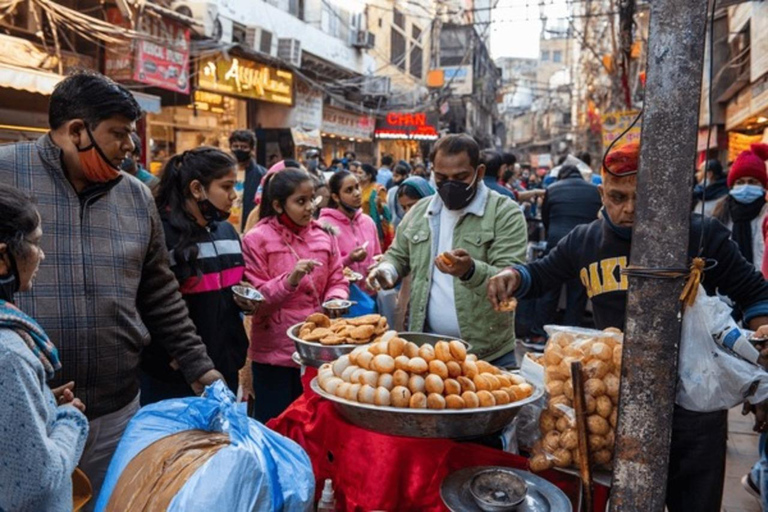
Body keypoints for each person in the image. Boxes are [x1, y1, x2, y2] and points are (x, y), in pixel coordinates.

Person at [487, 140, 768, 512]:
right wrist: (512, 276)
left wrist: (761, 373)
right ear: (601, 193)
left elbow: (755, 294)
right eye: (617, 197)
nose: (630, 209)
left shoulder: (701, 235)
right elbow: (540, 274)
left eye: (642, 197)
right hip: (615, 403)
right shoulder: (585, 241)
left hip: (697, 401)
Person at [0, 71, 222, 501]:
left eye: (132, 134)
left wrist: (201, 369)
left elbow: (159, 293)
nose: (131, 147)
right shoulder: (5, 175)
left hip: (118, 408)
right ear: (76, 131)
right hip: (25, 412)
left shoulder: (136, 197)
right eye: (119, 134)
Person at [367, 134, 528, 366]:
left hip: (485, 354)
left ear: (479, 173)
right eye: (442, 177)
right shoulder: (421, 211)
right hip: (426, 352)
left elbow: (510, 277)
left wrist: (470, 270)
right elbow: (398, 254)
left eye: (460, 177)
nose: (450, 184)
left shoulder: (504, 213)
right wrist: (387, 271)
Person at [141, 147, 258, 404]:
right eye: (226, 187)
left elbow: (227, 287)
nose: (233, 196)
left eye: (234, 187)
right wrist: (172, 360)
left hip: (224, 366)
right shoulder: (161, 235)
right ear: (197, 189)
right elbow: (149, 304)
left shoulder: (227, 232)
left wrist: (242, 298)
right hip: (174, 377)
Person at [0, 185, 89, 512]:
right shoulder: (9, 354)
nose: (42, 255)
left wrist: (39, 404)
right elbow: (33, 482)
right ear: (2, 258)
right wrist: (69, 419)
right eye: (35, 243)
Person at [242, 168, 348, 422]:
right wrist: (290, 280)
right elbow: (255, 302)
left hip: (316, 348)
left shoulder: (323, 234)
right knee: (275, 424)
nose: (309, 207)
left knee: (312, 424)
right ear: (278, 205)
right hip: (273, 353)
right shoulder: (256, 239)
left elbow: (337, 277)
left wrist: (336, 298)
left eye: (312, 199)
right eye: (300, 201)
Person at [524, 164, 603, 349]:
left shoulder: (552, 189)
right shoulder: (594, 191)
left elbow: (546, 219)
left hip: (557, 244)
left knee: (549, 291)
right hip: (584, 246)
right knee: (577, 294)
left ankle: (539, 336)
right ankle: (569, 340)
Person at [319, 170, 382, 295]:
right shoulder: (324, 226)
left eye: (357, 187)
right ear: (336, 197)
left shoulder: (368, 222)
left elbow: (377, 255)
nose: (357, 193)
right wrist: (349, 259)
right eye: (349, 190)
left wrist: (376, 266)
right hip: (341, 299)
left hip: (370, 297)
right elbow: (322, 270)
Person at [712, 144, 768, 269]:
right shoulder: (720, 214)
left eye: (752, 182)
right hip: (727, 284)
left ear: (763, 186)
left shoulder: (766, 216)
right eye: (740, 182)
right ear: (732, 186)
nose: (746, 187)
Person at [392, 176, 437, 331]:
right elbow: (398, 255)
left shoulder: (440, 223)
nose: (408, 212)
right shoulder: (404, 227)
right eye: (403, 208)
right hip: (410, 287)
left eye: (412, 205)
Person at [229, 129, 267, 233]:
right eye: (235, 146)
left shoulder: (262, 175)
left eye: (244, 147)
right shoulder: (221, 172)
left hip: (250, 231)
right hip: (227, 230)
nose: (239, 150)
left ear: (252, 149)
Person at [354, 163, 394, 250]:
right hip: (357, 225)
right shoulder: (356, 189)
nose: (357, 175)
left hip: (374, 225)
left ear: (369, 175)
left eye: (360, 173)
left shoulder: (378, 189)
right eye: (356, 172)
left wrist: (379, 205)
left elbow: (385, 209)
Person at [387, 160, 412, 228]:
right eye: (393, 176)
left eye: (397, 176)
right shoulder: (391, 191)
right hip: (394, 225)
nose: (394, 179)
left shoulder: (409, 190)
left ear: (404, 176)